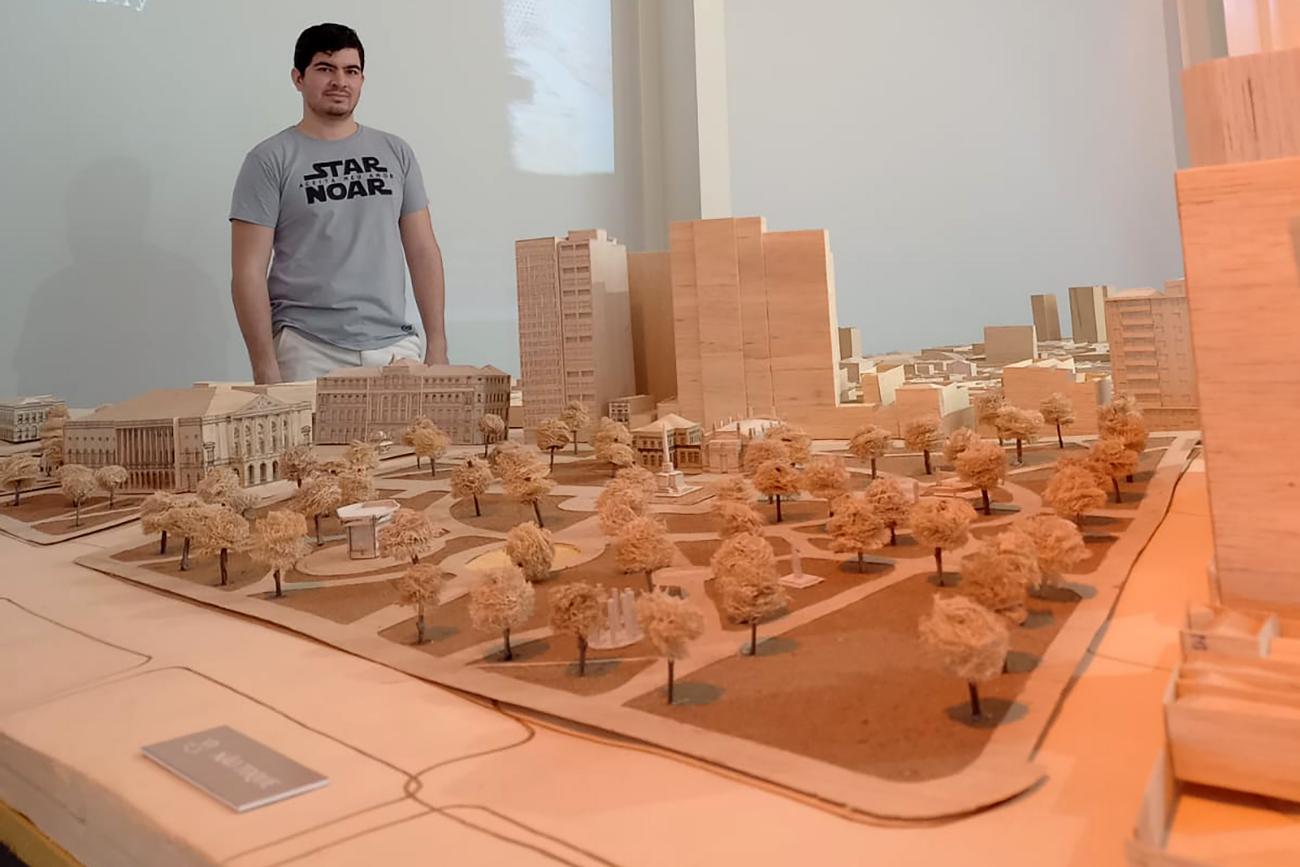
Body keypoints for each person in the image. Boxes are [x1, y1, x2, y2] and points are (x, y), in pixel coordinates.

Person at [230, 22, 447, 383]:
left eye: (351, 71)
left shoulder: (395, 152)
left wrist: (437, 344)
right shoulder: (268, 160)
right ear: (298, 78)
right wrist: (264, 366)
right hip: (306, 347)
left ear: (362, 79)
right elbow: (248, 272)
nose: (340, 81)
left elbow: (423, 251)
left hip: (394, 346)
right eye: (325, 69)